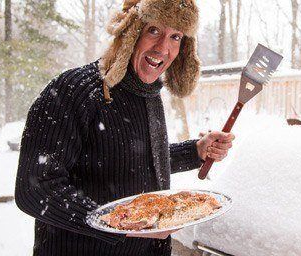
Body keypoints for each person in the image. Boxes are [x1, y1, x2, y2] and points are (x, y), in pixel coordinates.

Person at [14, 0, 234, 255]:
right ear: (131, 31)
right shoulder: (71, 90)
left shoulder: (147, 94)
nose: (163, 47)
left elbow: (128, 160)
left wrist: (195, 151)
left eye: (175, 36)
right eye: (154, 30)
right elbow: (35, 188)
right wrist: (116, 223)